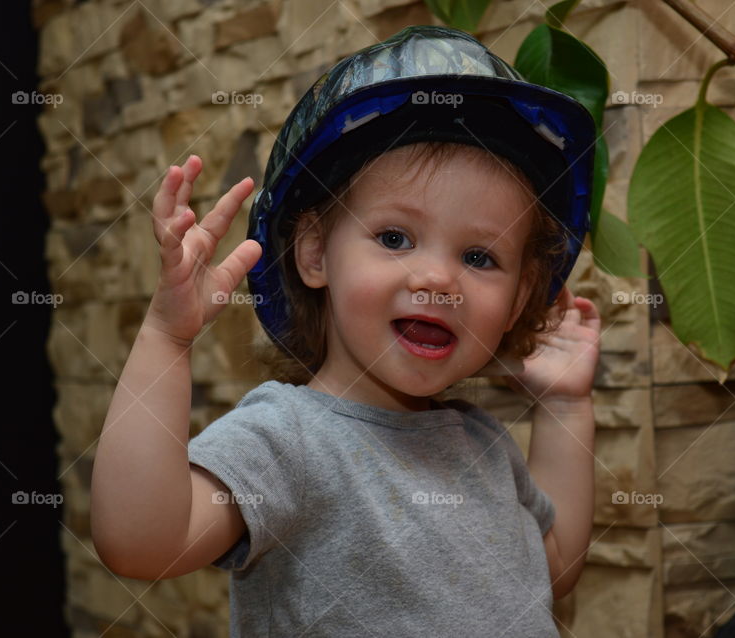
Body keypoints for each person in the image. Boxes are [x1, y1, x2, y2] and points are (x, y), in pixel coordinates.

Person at [91, 25, 601, 637]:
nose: (439, 277)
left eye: (480, 257)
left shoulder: (481, 441)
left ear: (519, 299)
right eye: (394, 238)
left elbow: (549, 567)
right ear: (314, 254)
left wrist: (567, 408)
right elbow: (143, 541)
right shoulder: (291, 439)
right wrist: (167, 340)